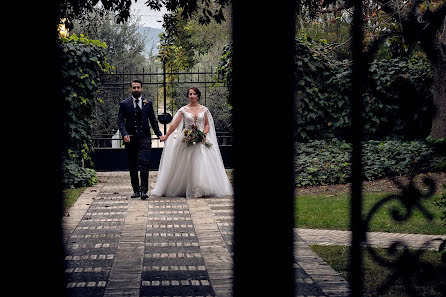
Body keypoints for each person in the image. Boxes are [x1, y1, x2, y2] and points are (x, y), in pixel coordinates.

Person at [151, 87, 233, 198]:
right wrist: (166, 136)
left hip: (201, 139)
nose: (192, 96)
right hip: (186, 138)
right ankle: (184, 187)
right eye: (190, 94)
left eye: (194, 94)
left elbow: (207, 124)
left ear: (198, 96)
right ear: (187, 96)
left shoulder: (204, 110)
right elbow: (175, 124)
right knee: (184, 164)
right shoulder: (183, 110)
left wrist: (203, 134)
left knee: (202, 162)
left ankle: (201, 187)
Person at [117, 79, 162, 199]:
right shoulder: (124, 104)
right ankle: (135, 190)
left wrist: (159, 134)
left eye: (138, 87)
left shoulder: (148, 103)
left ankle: (144, 191)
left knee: (144, 164)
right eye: (134, 88)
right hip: (130, 139)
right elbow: (120, 121)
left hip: (144, 138)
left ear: (141, 89)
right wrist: (124, 133)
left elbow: (153, 120)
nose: (136, 90)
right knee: (132, 165)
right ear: (130, 89)